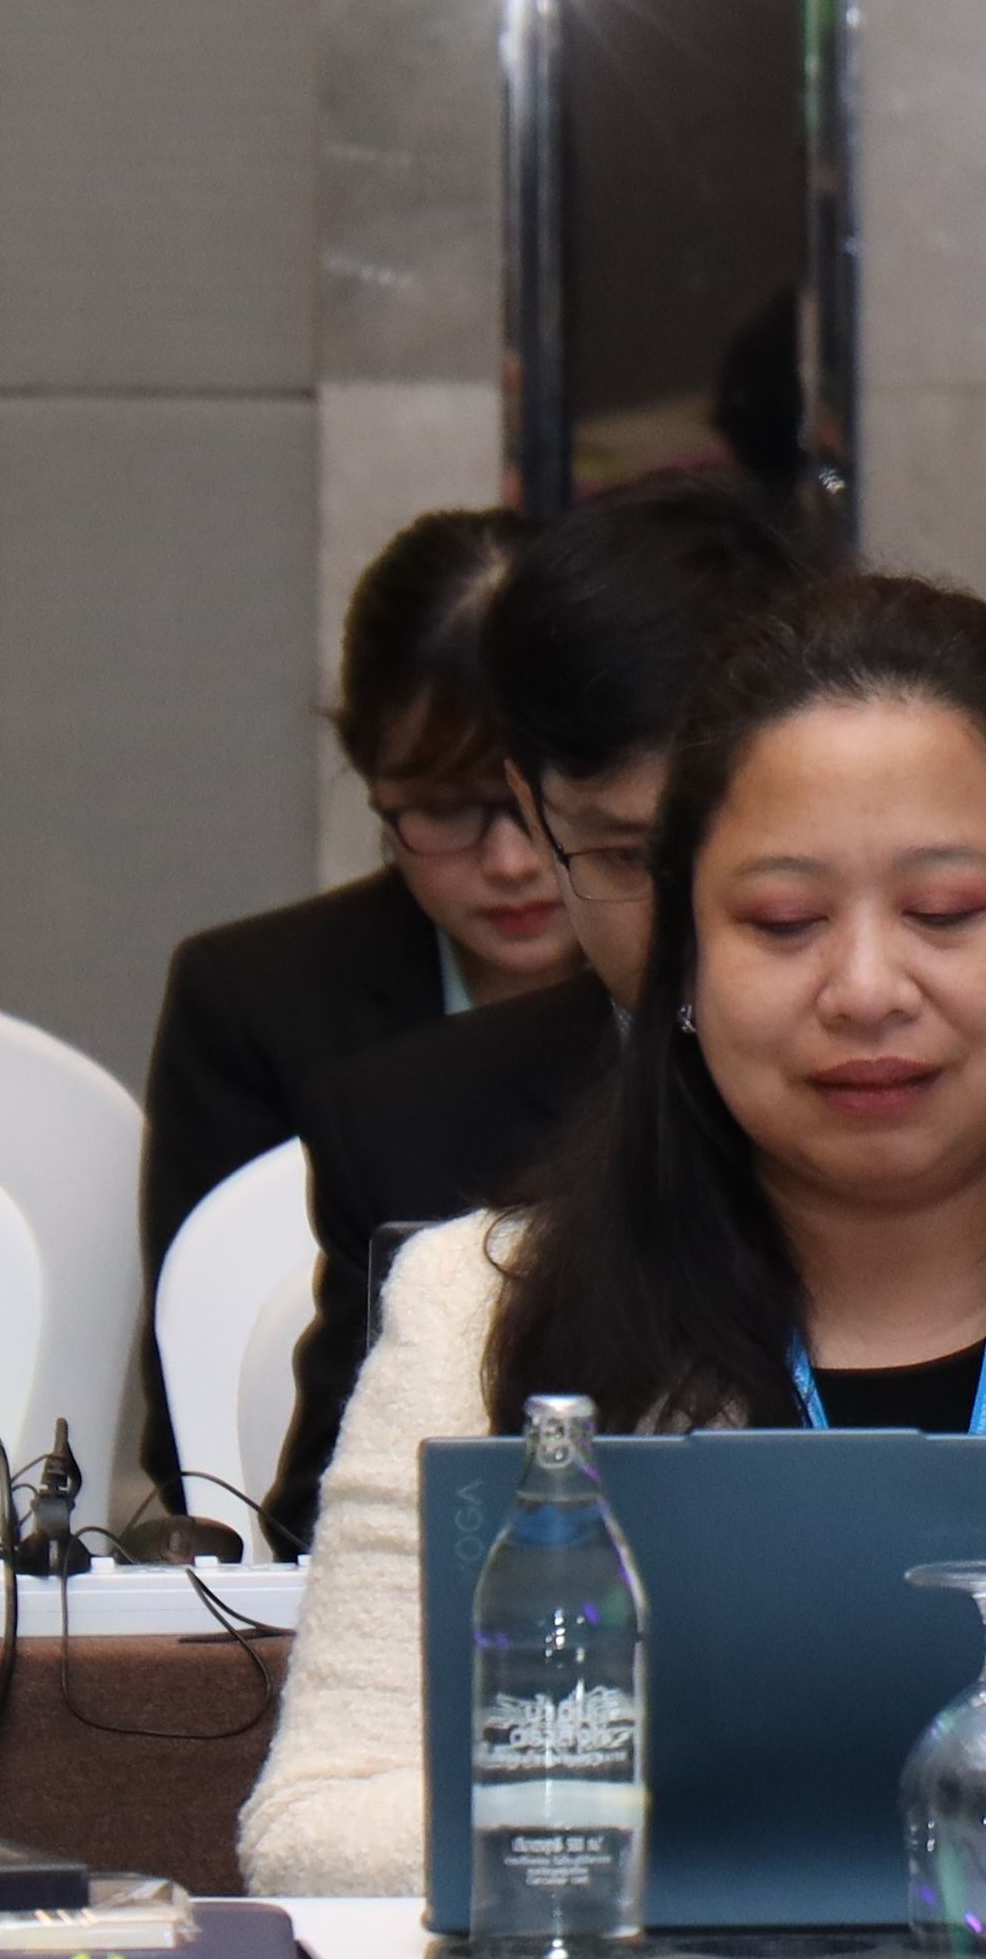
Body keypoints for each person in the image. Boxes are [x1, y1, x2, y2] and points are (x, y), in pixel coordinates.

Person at [241, 574, 986, 1898]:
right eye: (782, 923)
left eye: (948, 912)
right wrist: (870, 1815)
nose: (866, 989)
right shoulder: (476, 1308)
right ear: (684, 963)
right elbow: (316, 1832)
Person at [257, 480, 817, 1547]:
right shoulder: (409, 1124)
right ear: (545, 813)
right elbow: (335, 1546)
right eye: (626, 856)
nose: (699, 913)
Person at [130, 507, 563, 1516]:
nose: (510, 861)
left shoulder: (709, 996)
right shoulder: (252, 998)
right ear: (368, 774)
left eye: (543, 800)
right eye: (445, 808)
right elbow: (195, 1417)